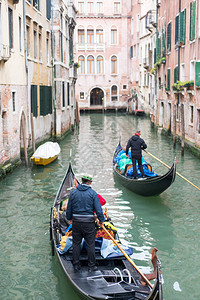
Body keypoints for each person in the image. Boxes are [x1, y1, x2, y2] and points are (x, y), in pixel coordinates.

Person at [66, 174, 105, 272]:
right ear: (90, 182)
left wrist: (69, 218)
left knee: (76, 243)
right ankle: (91, 266)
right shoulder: (93, 193)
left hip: (76, 223)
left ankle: (76, 265)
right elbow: (98, 209)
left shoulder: (73, 193)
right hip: (89, 223)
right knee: (90, 244)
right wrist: (101, 220)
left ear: (82, 181)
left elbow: (69, 208)